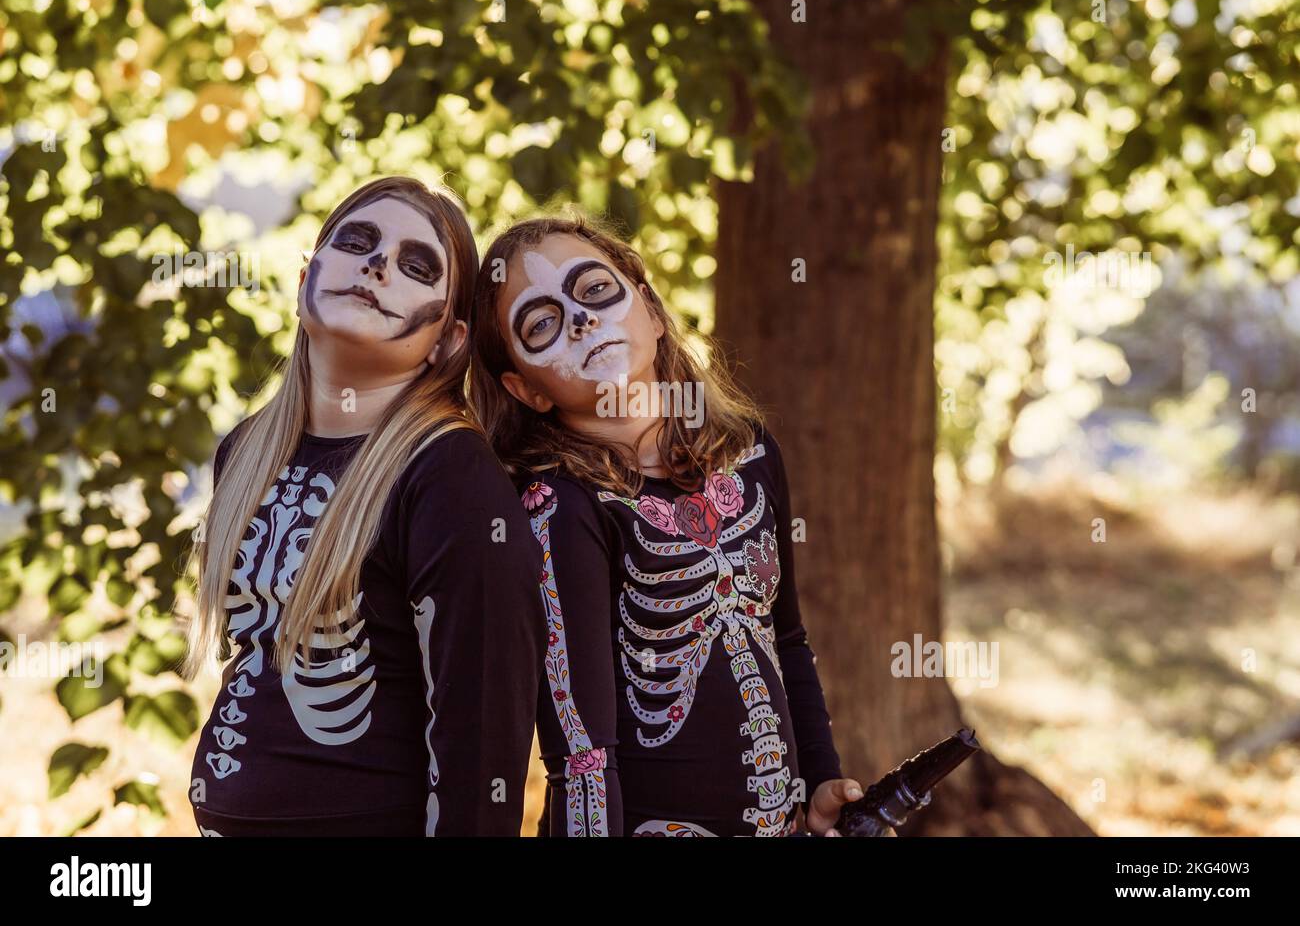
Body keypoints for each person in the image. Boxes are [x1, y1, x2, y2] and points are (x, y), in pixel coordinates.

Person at [469, 214, 862, 836]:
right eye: (540, 323)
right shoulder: (559, 509)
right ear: (525, 390)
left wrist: (820, 783)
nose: (580, 319)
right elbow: (581, 753)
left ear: (650, 311)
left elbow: (786, 638)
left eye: (594, 290)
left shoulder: (751, 453)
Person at [185, 176, 545, 836]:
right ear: (304, 280)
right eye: (356, 241)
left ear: (448, 339)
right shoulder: (245, 452)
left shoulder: (450, 476)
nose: (378, 264)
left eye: (417, 265)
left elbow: (482, 746)